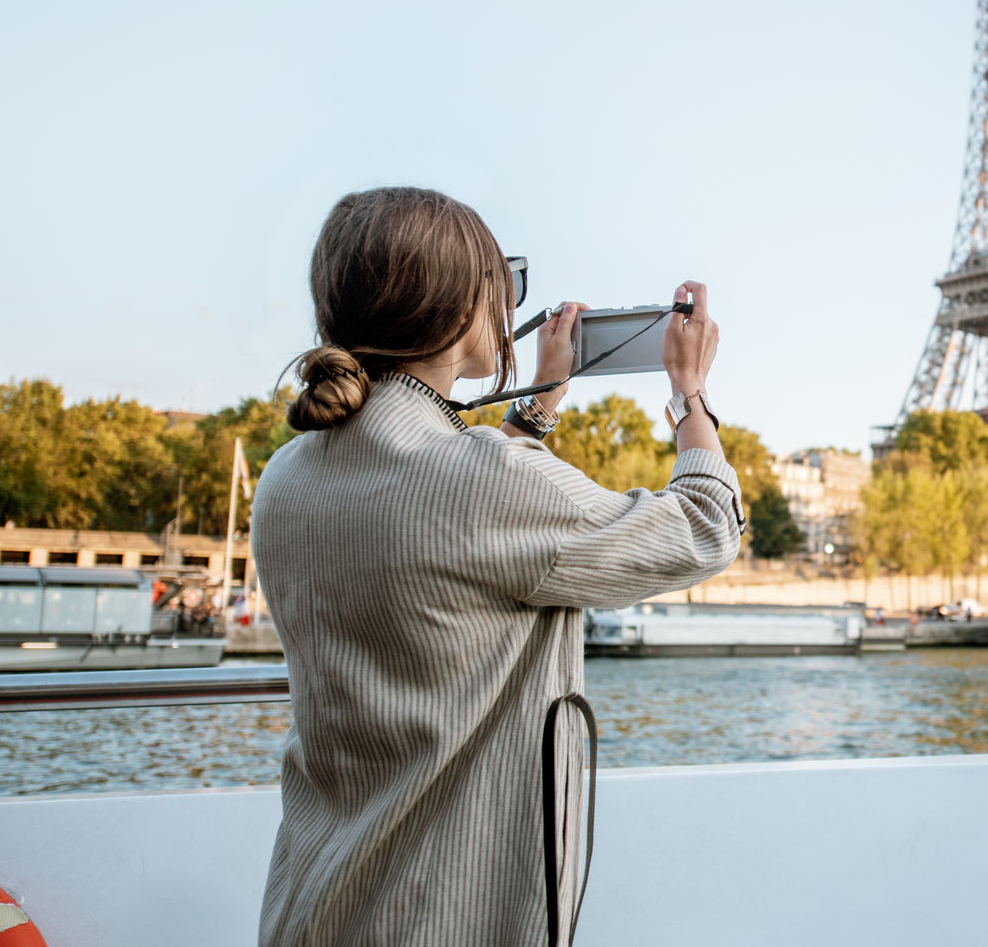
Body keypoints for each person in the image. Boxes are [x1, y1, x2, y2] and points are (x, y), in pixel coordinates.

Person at [250, 186, 743, 946]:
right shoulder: (479, 478)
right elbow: (706, 525)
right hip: (442, 916)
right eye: (504, 284)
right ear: (456, 311)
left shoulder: (285, 476)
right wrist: (690, 394)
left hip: (310, 904)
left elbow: (454, 535)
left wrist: (537, 408)